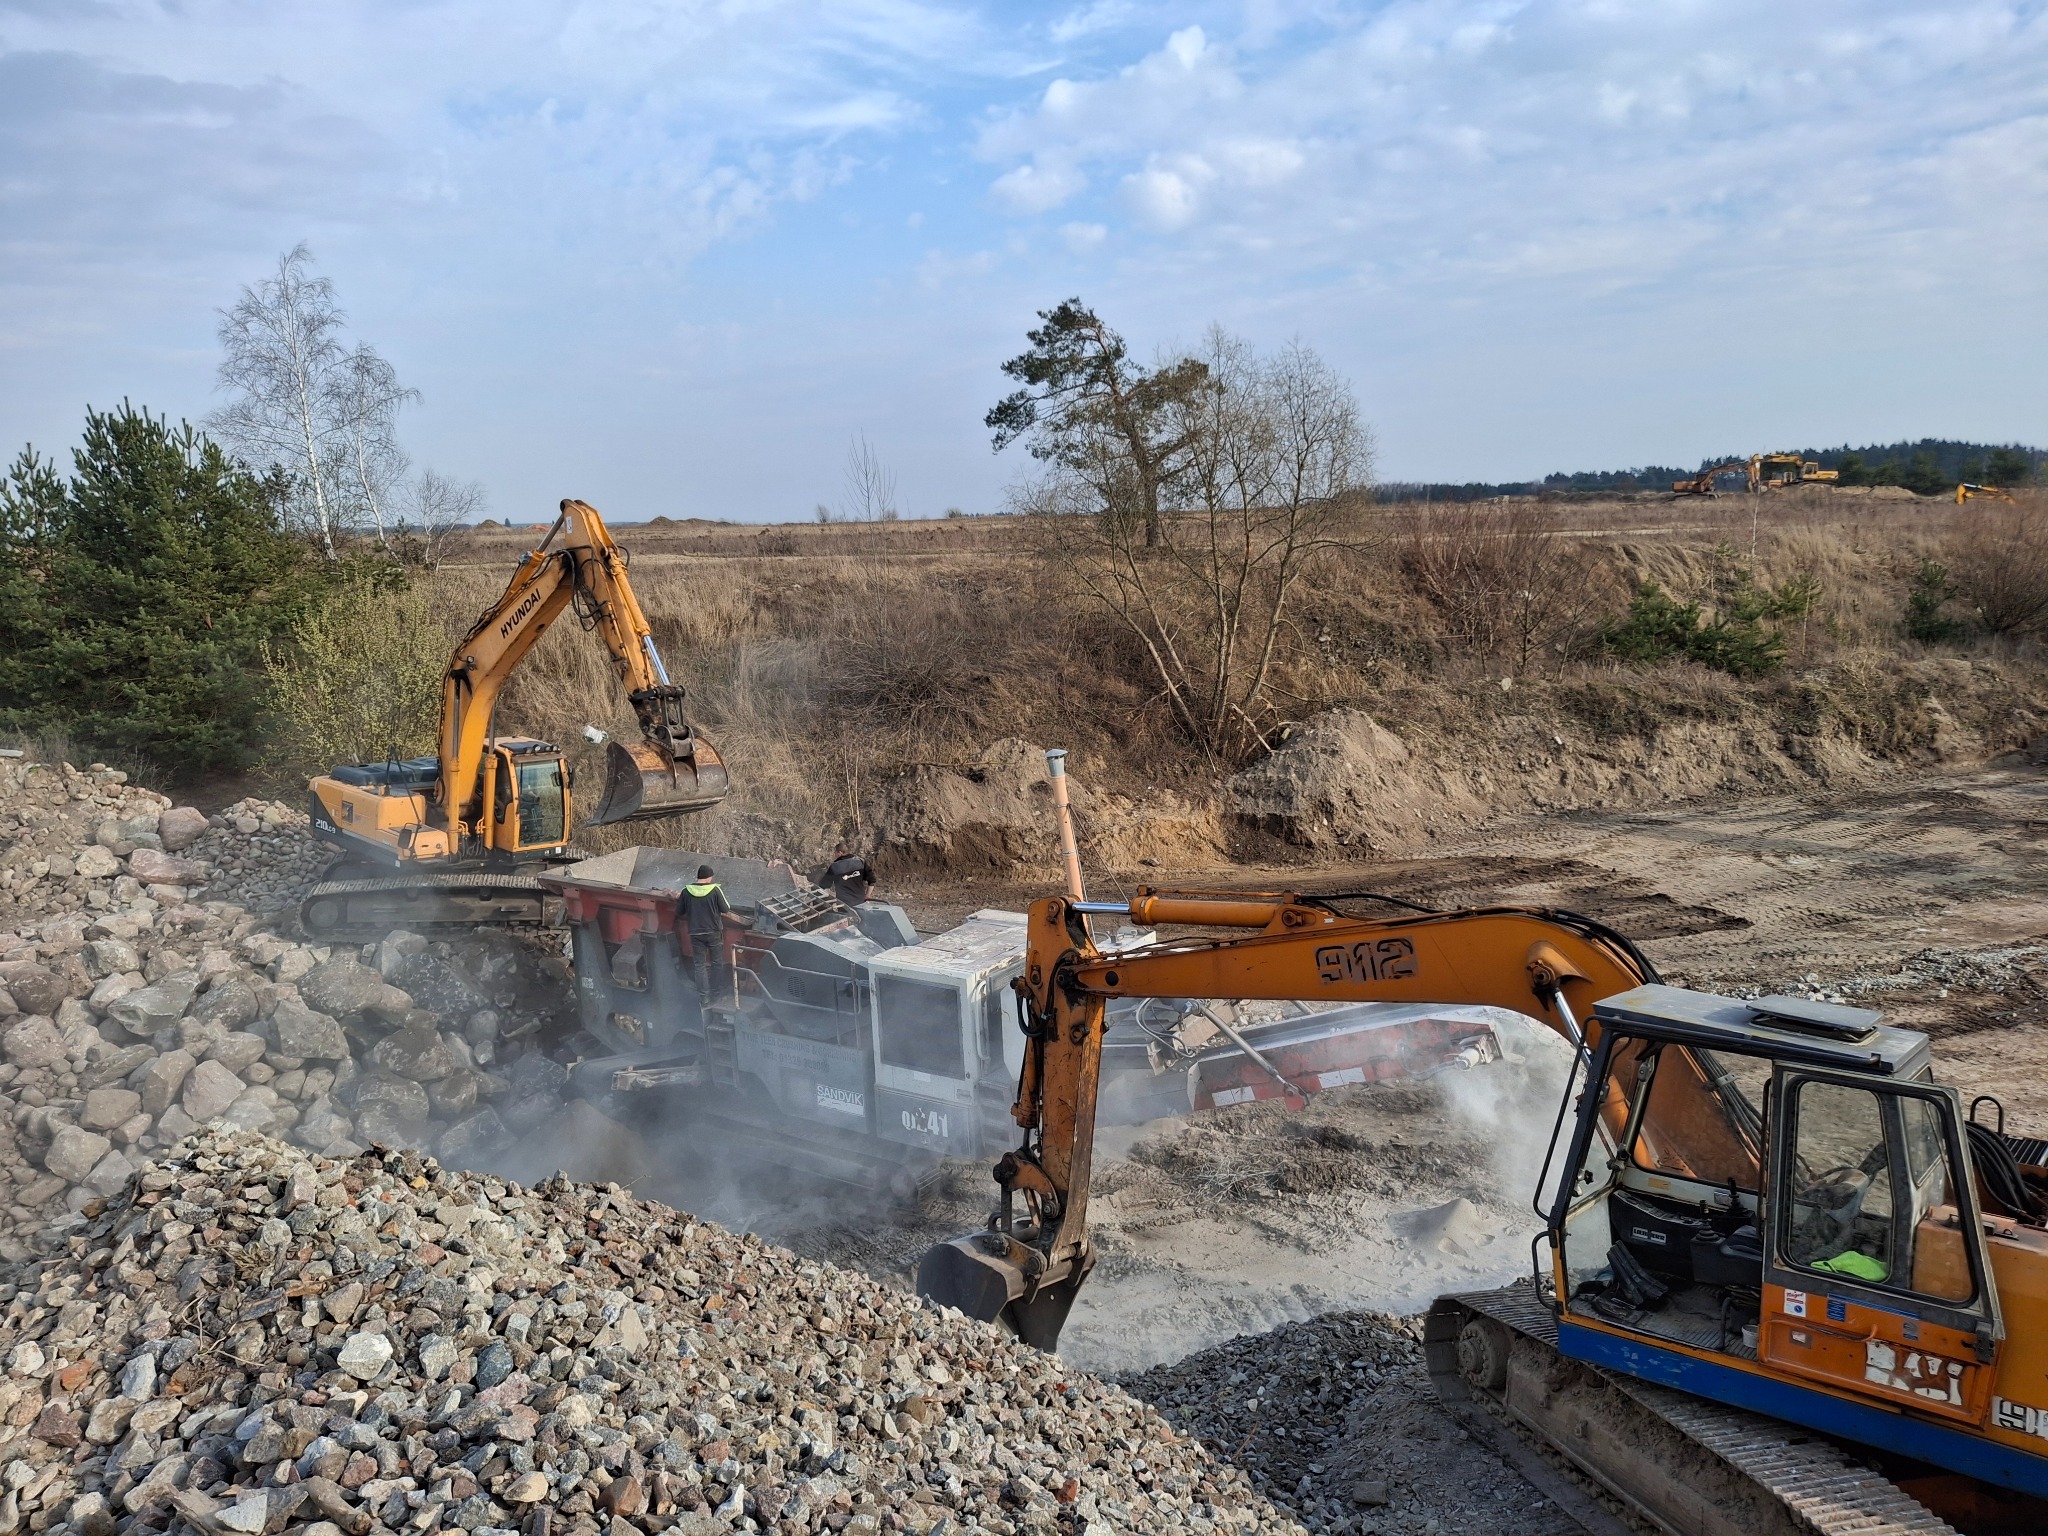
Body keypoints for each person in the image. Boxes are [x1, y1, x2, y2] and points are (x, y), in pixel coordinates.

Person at [675, 864, 743, 1005]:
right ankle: (717, 994)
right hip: (713, 932)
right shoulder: (715, 890)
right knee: (716, 963)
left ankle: (704, 997)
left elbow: (679, 911)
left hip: (696, 933)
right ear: (708, 878)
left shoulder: (686, 891)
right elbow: (725, 908)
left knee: (699, 965)